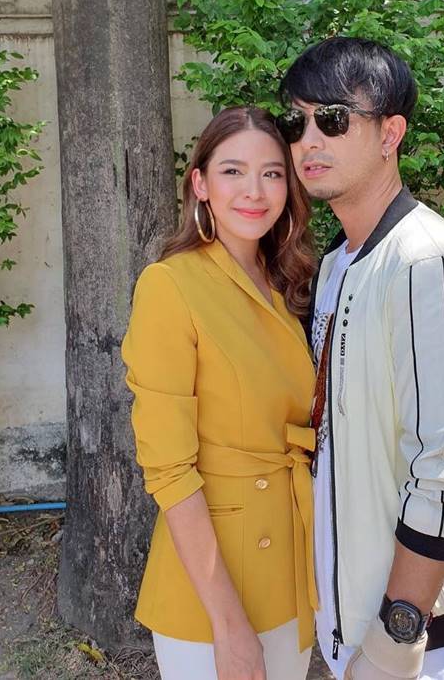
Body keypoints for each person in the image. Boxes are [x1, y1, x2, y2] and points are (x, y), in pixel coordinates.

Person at [277, 37, 444, 680]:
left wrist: (394, 638)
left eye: (332, 119)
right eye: (296, 124)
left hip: (426, 646)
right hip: (352, 625)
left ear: (390, 133)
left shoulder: (424, 261)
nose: (308, 142)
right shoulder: (337, 265)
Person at [122, 107, 318, 680]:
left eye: (272, 173)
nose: (255, 191)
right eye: (233, 171)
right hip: (212, 588)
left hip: (290, 560)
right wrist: (228, 625)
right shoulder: (170, 285)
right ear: (201, 184)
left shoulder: (287, 282)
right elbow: (169, 471)